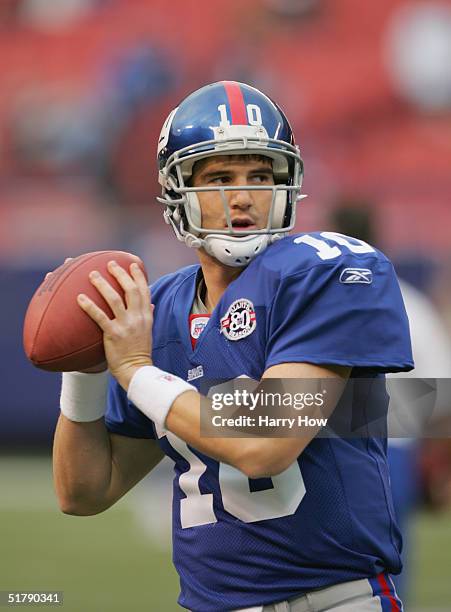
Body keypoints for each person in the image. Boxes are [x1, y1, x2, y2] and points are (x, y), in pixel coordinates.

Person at [53, 81, 413, 612]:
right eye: (219, 177)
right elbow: (83, 492)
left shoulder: (322, 271)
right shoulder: (156, 312)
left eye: (261, 176)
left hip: (336, 600)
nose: (242, 197)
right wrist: (83, 367)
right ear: (177, 192)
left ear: (287, 185)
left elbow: (266, 442)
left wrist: (135, 370)